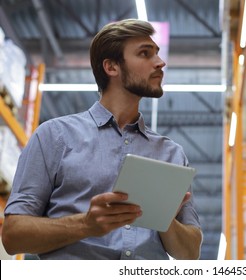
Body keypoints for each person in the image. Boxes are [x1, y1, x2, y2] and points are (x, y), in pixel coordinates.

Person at [1, 19, 202, 260]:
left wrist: (163, 217)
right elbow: (13, 236)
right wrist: (85, 225)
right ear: (112, 67)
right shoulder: (54, 136)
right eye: (145, 54)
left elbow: (190, 254)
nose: (160, 62)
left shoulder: (171, 153)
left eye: (157, 53)